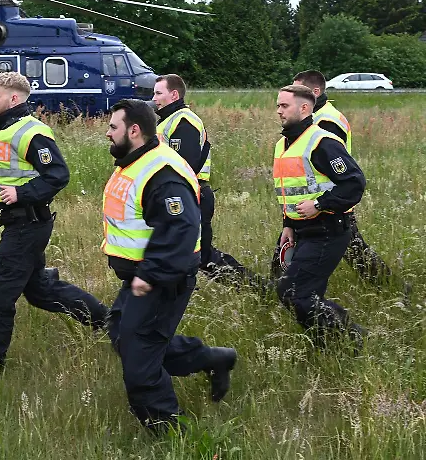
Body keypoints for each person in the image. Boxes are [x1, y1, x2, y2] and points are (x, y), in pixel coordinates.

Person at [101, 98, 236, 434]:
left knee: (140, 360)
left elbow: (182, 228)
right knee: (120, 331)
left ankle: (171, 435)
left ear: (134, 130)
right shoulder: (137, 160)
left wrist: (150, 274)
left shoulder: (163, 173)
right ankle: (212, 359)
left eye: (113, 127)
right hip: (143, 275)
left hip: (162, 278)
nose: (108, 133)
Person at [0, 72, 107, 377]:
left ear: (14, 98)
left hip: (28, 225)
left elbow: (58, 175)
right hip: (15, 222)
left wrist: (22, 193)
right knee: (40, 291)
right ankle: (106, 320)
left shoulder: (32, 132)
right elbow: (0, 175)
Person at [272, 84, 367, 349]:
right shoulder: (283, 144)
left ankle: (351, 336)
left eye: (284, 105)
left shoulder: (322, 142)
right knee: (304, 294)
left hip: (328, 230)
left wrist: (319, 204)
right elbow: (291, 190)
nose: (278, 111)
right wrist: (288, 225)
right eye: (278, 105)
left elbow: (354, 184)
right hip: (302, 231)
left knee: (293, 292)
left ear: (304, 108)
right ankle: (326, 345)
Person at [151, 74, 261, 288]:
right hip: (181, 195)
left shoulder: (184, 121)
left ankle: (257, 288)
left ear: (174, 95)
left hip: (193, 195)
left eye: (158, 93)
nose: (153, 98)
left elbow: (185, 166)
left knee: (203, 256)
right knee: (182, 253)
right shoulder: (166, 121)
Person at [287, 70, 390, 283]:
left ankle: (388, 285)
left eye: (299, 90)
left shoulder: (327, 121)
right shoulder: (314, 116)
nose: (293, 95)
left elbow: (334, 164)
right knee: (352, 249)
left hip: (330, 201)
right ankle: (282, 286)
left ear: (315, 92)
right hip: (316, 202)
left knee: (353, 248)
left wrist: (321, 202)